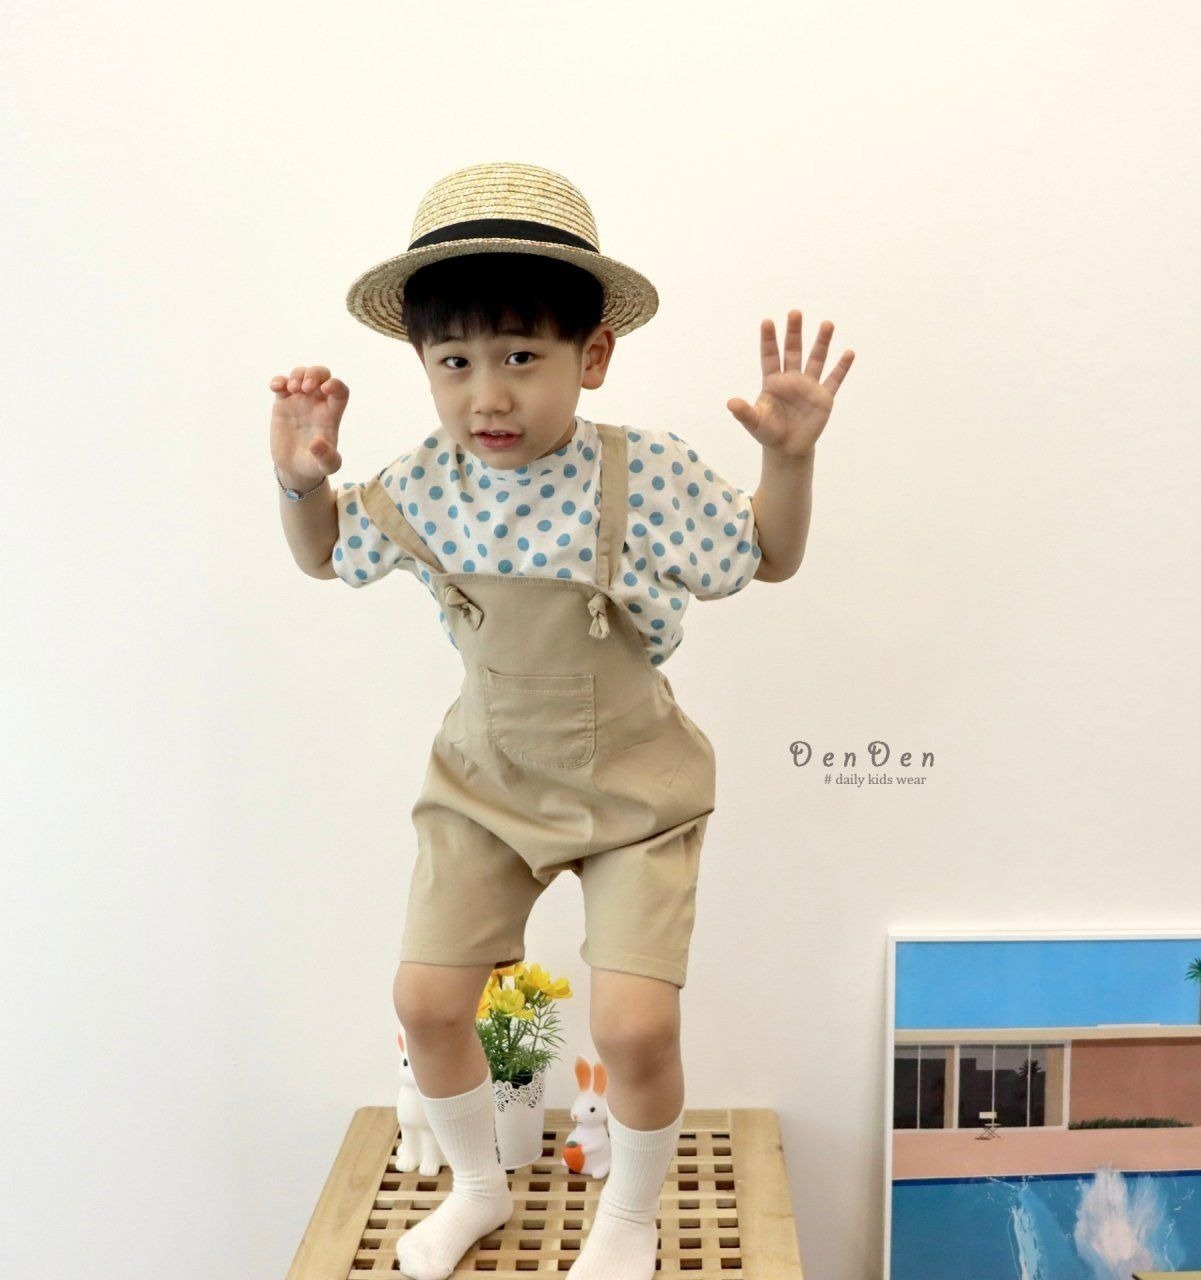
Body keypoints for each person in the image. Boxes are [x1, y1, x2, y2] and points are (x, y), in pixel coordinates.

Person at [268, 161, 854, 1280]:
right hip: (484, 783)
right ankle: (477, 1187)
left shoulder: (643, 474)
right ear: (422, 364)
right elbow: (327, 553)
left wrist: (788, 457)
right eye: (454, 362)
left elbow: (768, 555)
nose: (486, 395)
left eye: (521, 357)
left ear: (593, 356)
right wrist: (299, 482)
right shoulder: (425, 482)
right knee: (424, 1001)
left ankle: (627, 1220)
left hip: (634, 794)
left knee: (634, 1025)